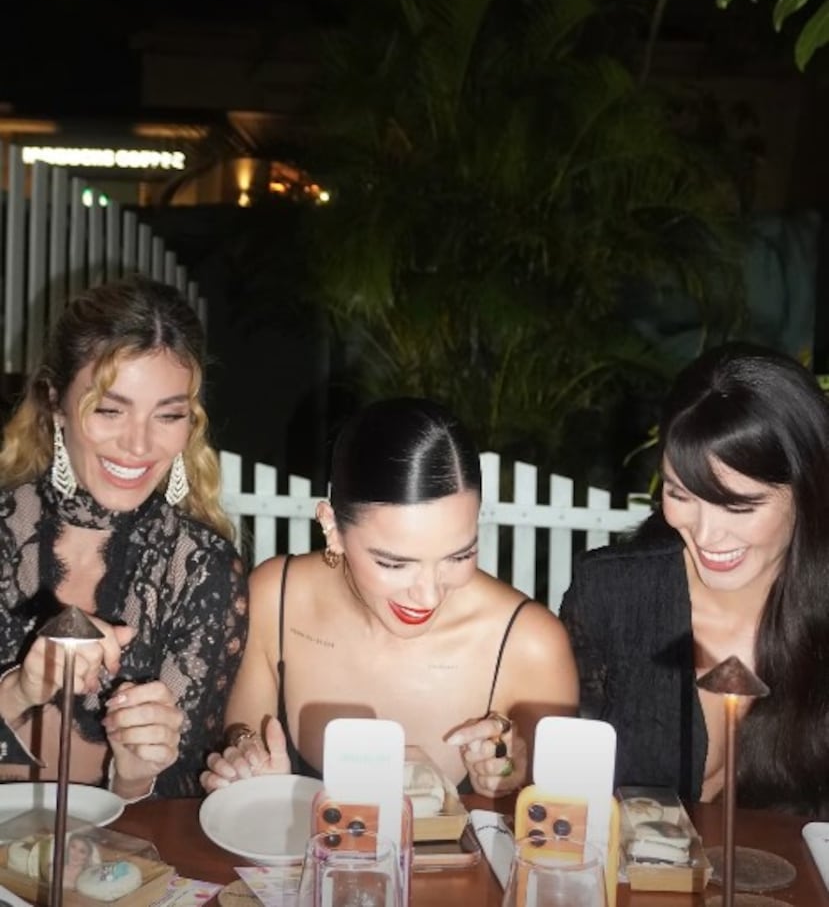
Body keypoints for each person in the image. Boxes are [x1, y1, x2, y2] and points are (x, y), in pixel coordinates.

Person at [201, 397, 577, 798]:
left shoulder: (529, 644)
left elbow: (567, 816)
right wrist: (247, 766)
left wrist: (515, 777)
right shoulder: (275, 599)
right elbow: (241, 750)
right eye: (395, 563)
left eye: (459, 556)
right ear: (332, 527)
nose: (428, 594)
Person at [0, 275, 248, 800]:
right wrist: (18, 690)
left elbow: (175, 801)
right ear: (55, 402)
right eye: (109, 409)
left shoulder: (202, 569)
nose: (138, 445)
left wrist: (135, 775)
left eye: (169, 415)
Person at [560, 342, 829, 817]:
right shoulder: (611, 593)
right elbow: (561, 770)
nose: (705, 535)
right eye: (681, 494)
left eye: (738, 506)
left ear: (808, 490)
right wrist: (512, 759)